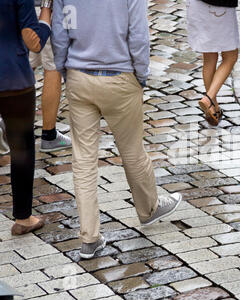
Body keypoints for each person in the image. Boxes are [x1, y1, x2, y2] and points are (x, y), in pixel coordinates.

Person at [52, 0, 182, 260]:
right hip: (120, 75)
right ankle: (149, 208)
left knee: (84, 160)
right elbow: (138, 35)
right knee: (132, 149)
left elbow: (59, 32)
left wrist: (64, 69)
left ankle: (89, 237)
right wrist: (141, 75)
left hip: (79, 75)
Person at [0, 0, 52, 235]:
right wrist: (46, 13)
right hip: (13, 77)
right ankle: (23, 217)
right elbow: (34, 41)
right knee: (21, 148)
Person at [187, 0, 240, 126]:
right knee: (230, 56)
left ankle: (213, 108)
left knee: (209, 57)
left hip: (195, 6)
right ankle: (209, 97)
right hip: (219, 8)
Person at [30, 1, 72, 152]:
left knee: (24, 65)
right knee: (53, 69)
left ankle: (7, 125)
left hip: (22, 8)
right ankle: (49, 135)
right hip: (48, 9)